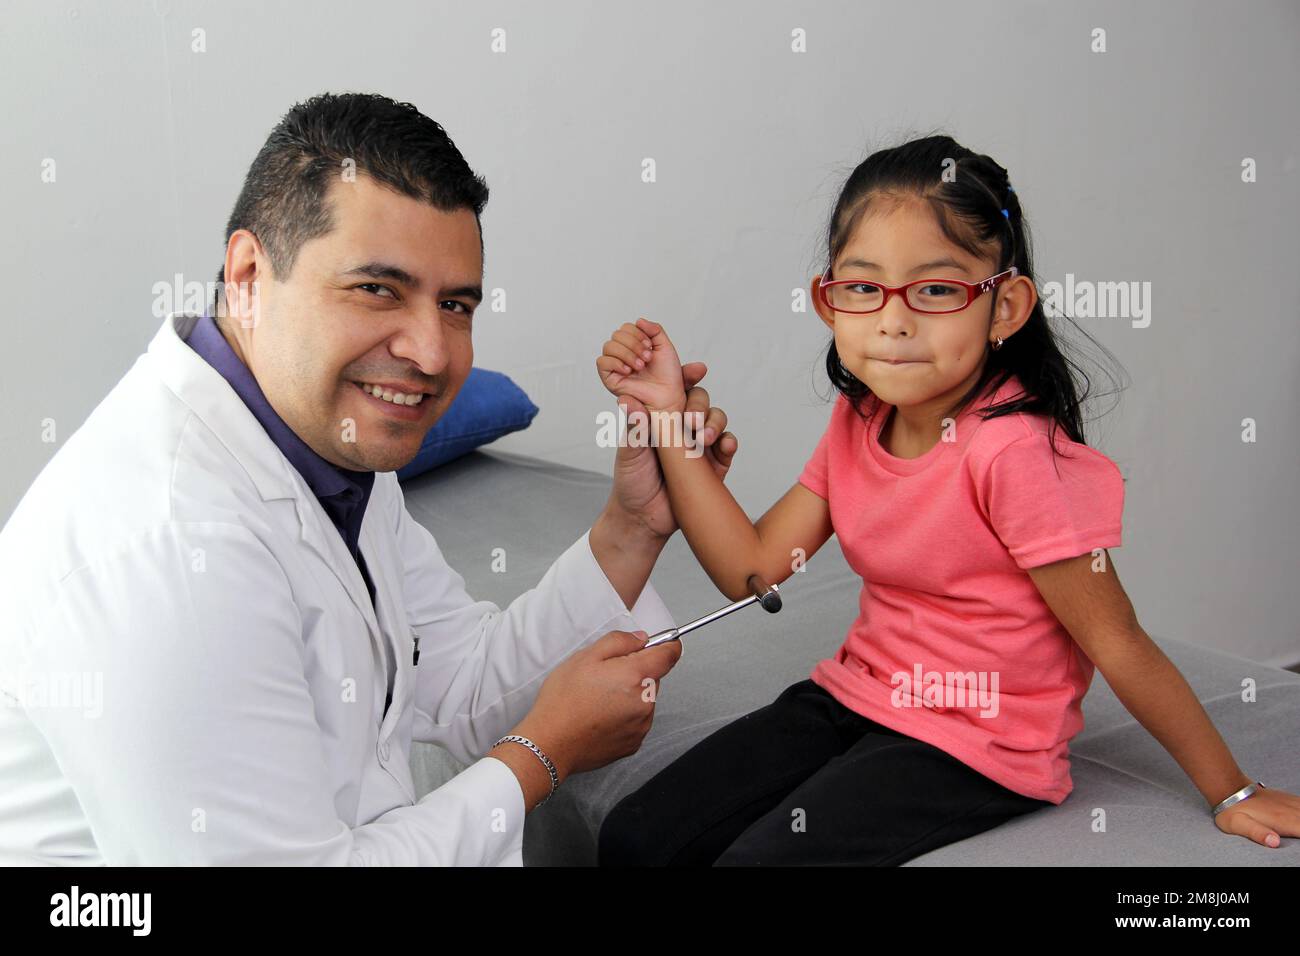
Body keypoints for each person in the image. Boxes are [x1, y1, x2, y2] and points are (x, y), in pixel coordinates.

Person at [0, 92, 741, 865]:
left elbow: (458, 682)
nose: (430, 352)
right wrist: (542, 754)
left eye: (454, 304)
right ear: (249, 273)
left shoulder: (326, 444)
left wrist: (631, 527)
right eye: (377, 289)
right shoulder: (172, 547)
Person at [594, 134, 1300, 865]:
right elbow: (755, 569)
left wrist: (1234, 793)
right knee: (636, 835)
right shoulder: (860, 418)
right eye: (864, 288)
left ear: (1005, 307)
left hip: (976, 741)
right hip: (854, 698)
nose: (894, 320)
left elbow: (1116, 639)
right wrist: (669, 417)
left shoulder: (1014, 454)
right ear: (827, 302)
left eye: (936, 289)